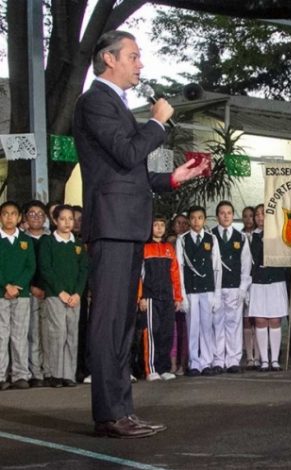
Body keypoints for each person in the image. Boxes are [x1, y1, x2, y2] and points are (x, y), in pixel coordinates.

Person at [73, 30, 207, 438]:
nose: (140, 64)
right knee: (109, 323)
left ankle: (122, 412)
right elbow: (129, 152)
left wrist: (172, 178)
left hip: (127, 224)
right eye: (133, 56)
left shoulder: (115, 104)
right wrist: (157, 123)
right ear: (109, 59)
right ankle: (109, 414)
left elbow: (131, 171)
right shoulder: (94, 101)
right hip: (112, 226)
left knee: (123, 325)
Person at [39, 205, 89, 387]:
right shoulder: (48, 242)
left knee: (72, 334)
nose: (68, 222)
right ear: (55, 220)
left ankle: (69, 374)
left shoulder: (77, 244)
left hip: (74, 296)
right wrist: (60, 291)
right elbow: (46, 269)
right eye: (63, 218)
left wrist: (77, 293)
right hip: (55, 295)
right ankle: (54, 373)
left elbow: (84, 269)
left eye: (71, 219)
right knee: (57, 333)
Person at [176, 205, 222, 376]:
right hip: (190, 289)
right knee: (192, 326)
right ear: (189, 220)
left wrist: (217, 294)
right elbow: (179, 268)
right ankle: (194, 362)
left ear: (204, 219)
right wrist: (182, 295)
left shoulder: (211, 239)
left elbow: (217, 267)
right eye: (193, 218)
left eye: (200, 217)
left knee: (207, 326)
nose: (196, 221)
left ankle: (207, 362)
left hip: (208, 288)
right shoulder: (182, 240)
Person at [139, 216, 182, 382]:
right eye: (155, 225)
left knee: (166, 333)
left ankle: (164, 368)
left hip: (167, 298)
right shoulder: (144, 248)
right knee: (151, 332)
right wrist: (141, 297)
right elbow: (138, 275)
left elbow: (175, 274)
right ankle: (151, 369)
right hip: (150, 297)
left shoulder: (169, 248)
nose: (158, 228)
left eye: (161, 225)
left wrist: (177, 297)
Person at [211, 201, 252, 373]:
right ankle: (218, 359)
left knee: (234, 324)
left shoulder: (241, 237)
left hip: (235, 287)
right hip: (216, 289)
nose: (226, 216)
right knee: (217, 324)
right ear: (217, 215)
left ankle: (233, 360)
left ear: (233, 215)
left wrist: (243, 288)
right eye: (222, 213)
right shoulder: (210, 236)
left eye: (229, 213)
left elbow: (246, 264)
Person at [0, 201, 36, 391]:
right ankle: (1, 375)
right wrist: (6, 285)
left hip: (21, 295)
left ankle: (20, 375)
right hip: (1, 294)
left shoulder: (25, 240)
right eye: (5, 213)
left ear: (19, 217)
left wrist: (17, 286)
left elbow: (30, 266)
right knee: (1, 335)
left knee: (20, 335)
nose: (9, 217)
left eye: (13, 214)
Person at [248, 205, 288, 372]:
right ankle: (264, 359)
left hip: (276, 281)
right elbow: (252, 260)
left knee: (275, 320)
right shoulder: (251, 237)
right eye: (257, 214)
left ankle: (275, 359)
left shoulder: (279, 234)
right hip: (258, 282)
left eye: (263, 214)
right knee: (260, 320)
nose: (259, 217)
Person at [23, 200, 50, 387]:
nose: (36, 217)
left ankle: (49, 371)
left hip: (50, 292)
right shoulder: (22, 239)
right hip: (30, 291)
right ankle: (35, 372)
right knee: (32, 334)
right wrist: (32, 287)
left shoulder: (50, 239)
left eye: (40, 214)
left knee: (48, 335)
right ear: (25, 218)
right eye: (32, 214)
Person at [169, 213, 190, 376]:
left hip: (187, 291)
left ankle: (184, 364)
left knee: (185, 329)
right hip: (169, 291)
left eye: (185, 223)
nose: (182, 226)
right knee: (172, 330)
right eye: (178, 223)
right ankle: (172, 364)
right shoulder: (168, 243)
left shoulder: (189, 241)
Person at [243, 205, 261, 369]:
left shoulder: (259, 236)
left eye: (252, 215)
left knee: (259, 319)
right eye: (246, 216)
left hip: (258, 281)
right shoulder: (240, 236)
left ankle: (260, 353)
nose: (249, 219)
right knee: (247, 320)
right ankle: (249, 356)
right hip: (244, 282)